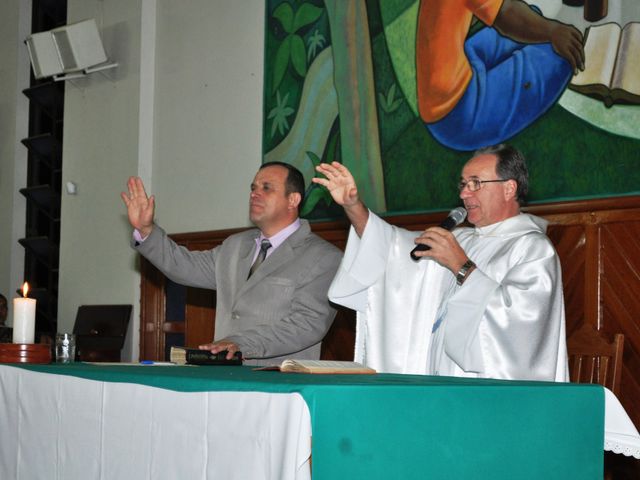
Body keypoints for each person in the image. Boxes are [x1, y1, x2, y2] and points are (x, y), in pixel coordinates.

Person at [313, 144, 568, 381]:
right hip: (443, 381)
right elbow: (390, 248)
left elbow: (520, 328)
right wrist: (353, 205)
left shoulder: (532, 248)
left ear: (509, 188)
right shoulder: (461, 239)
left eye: (475, 183)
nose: (464, 193)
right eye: (463, 184)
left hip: (494, 392)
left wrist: (461, 265)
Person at [122, 162, 342, 365]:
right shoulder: (235, 246)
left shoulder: (323, 257)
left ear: (293, 200)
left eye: (266, 188)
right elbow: (184, 266)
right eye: (253, 187)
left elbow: (306, 325)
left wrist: (241, 344)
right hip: (226, 376)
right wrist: (146, 230)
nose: (254, 193)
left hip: (279, 382)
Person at [417, 0, 585, 150]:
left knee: (533, 14)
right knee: (561, 54)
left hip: (462, 64)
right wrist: (552, 31)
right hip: (457, 113)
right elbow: (507, 15)